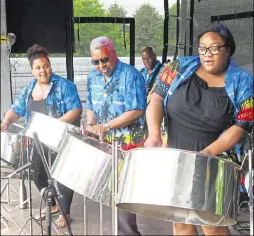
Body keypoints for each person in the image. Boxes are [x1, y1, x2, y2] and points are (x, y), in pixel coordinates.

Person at [144, 21, 253, 235]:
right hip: (176, 153)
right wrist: (155, 133)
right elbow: (156, 99)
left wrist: (207, 154)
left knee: (212, 226)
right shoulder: (178, 67)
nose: (207, 54)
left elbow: (242, 125)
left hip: (215, 158)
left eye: (214, 48)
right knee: (181, 223)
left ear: (228, 50)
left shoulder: (243, 81)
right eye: (202, 48)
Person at [0, 44, 82, 228]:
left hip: (61, 137)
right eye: (38, 68)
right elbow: (16, 109)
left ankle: (64, 212)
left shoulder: (64, 86)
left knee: (63, 175)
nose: (43, 71)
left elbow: (76, 110)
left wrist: (54, 124)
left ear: (50, 65)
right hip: (37, 139)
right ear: (32, 71)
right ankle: (52, 204)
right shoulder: (29, 88)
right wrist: (6, 122)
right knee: (36, 172)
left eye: (46, 66)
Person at [86, 37, 146, 235]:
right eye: (96, 62)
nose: (101, 65)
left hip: (128, 144)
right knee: (109, 193)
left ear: (114, 54)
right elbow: (91, 106)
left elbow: (137, 110)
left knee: (124, 199)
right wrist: (90, 126)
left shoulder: (132, 76)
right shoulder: (92, 78)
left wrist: (106, 126)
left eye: (105, 59)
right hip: (105, 144)